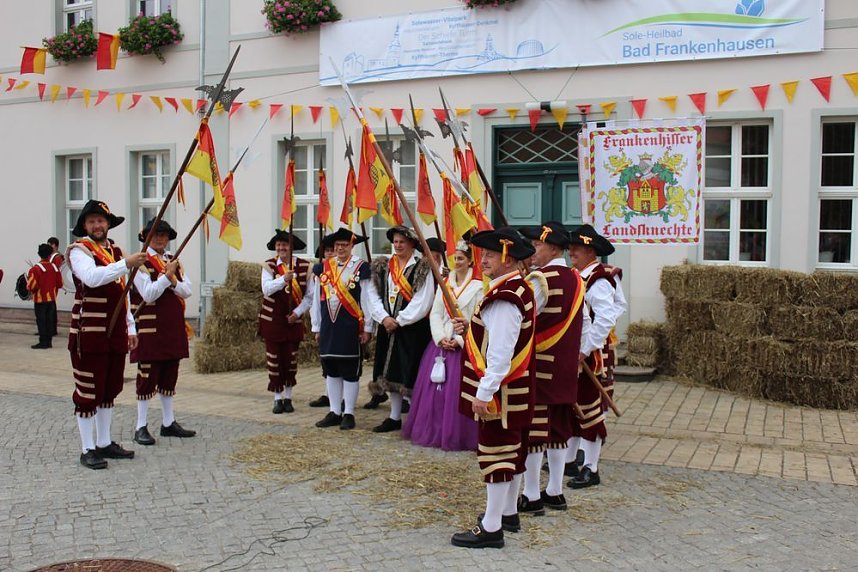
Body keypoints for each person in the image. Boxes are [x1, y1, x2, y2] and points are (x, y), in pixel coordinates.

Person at [450, 227, 536, 549]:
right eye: (482, 254)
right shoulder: (517, 287)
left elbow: (500, 352)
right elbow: (493, 337)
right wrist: (469, 329)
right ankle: (508, 513)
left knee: (496, 452)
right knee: (513, 451)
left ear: (508, 258)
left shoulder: (505, 297)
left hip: (503, 392)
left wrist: (484, 393)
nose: (482, 260)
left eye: (489, 255)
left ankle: (491, 526)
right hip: (514, 388)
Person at [65, 200, 147, 470]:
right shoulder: (79, 251)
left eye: (101, 220)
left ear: (108, 224)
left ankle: (104, 442)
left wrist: (131, 326)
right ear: (85, 226)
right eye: (92, 221)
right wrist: (126, 264)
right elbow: (92, 278)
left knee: (109, 388)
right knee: (89, 390)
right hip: (89, 332)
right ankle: (87, 448)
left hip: (115, 332)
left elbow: (123, 294)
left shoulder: (115, 251)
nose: (97, 225)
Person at [516, 222, 588, 515]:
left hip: (540, 367)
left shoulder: (539, 280)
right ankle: (555, 491)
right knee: (559, 429)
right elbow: (586, 323)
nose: (532, 251)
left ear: (554, 248)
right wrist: (578, 355)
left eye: (537, 246)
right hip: (566, 368)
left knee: (535, 432)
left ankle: (531, 495)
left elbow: (522, 319)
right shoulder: (576, 279)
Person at [403, 241, 482, 450]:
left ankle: (459, 434)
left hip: (463, 345)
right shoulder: (445, 283)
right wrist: (440, 337)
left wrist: (459, 340)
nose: (457, 262)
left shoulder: (479, 287)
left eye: (461, 258)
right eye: (455, 258)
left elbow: (478, 318)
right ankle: (435, 429)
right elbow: (436, 313)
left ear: (470, 261)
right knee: (435, 392)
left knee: (458, 392)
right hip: (441, 345)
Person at [566, 224, 627, 489]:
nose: (571, 252)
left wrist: (586, 348)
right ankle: (570, 459)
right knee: (574, 406)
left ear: (591, 251)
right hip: (578, 351)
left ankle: (591, 468)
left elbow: (606, 317)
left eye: (576, 249)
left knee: (590, 409)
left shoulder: (598, 280)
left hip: (590, 355)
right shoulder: (577, 276)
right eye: (570, 248)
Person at [130, 218, 196, 446]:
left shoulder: (172, 260)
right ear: (147, 237)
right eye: (155, 234)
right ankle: (140, 426)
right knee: (147, 376)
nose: (160, 238)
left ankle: (168, 422)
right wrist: (166, 277)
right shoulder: (140, 262)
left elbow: (187, 290)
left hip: (172, 327)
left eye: (163, 235)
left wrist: (173, 279)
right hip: (150, 328)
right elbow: (148, 294)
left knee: (169, 374)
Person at [366, 226, 435, 432]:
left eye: (402, 242)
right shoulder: (384, 266)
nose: (397, 245)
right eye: (395, 242)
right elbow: (373, 295)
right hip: (388, 327)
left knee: (410, 373)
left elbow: (423, 299)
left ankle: (417, 420)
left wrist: (400, 320)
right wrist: (384, 318)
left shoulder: (422, 267)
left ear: (412, 244)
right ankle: (394, 417)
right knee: (390, 373)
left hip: (412, 329)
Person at [311, 228, 375, 430]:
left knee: (349, 371)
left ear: (351, 246)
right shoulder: (323, 268)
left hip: (351, 326)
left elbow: (367, 298)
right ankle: (334, 411)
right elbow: (316, 300)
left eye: (344, 245)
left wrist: (368, 327)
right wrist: (316, 326)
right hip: (329, 326)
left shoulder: (361, 267)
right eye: (337, 245)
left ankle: (349, 413)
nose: (340, 248)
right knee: (331, 369)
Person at [259, 229, 312, 415]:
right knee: (274, 360)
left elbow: (309, 296)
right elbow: (266, 289)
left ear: (292, 247)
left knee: (290, 360)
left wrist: (297, 313)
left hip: (292, 321)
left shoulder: (305, 267)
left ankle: (288, 397)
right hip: (273, 320)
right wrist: (283, 279)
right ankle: (277, 398)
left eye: (285, 245)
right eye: (278, 245)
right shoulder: (269, 266)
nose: (281, 248)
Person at [308, 240, 337, 409]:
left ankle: (341, 397)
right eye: (327, 251)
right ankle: (328, 394)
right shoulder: (320, 273)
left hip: (343, 321)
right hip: (326, 320)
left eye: (333, 250)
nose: (330, 253)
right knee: (327, 360)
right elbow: (315, 301)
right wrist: (316, 326)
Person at [27, 243, 63, 349]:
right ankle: (49, 342)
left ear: (39, 254)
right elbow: (60, 284)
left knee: (41, 321)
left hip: (40, 300)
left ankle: (43, 342)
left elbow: (32, 285)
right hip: (52, 299)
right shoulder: (54, 267)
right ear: (50, 254)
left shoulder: (35, 269)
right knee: (49, 320)